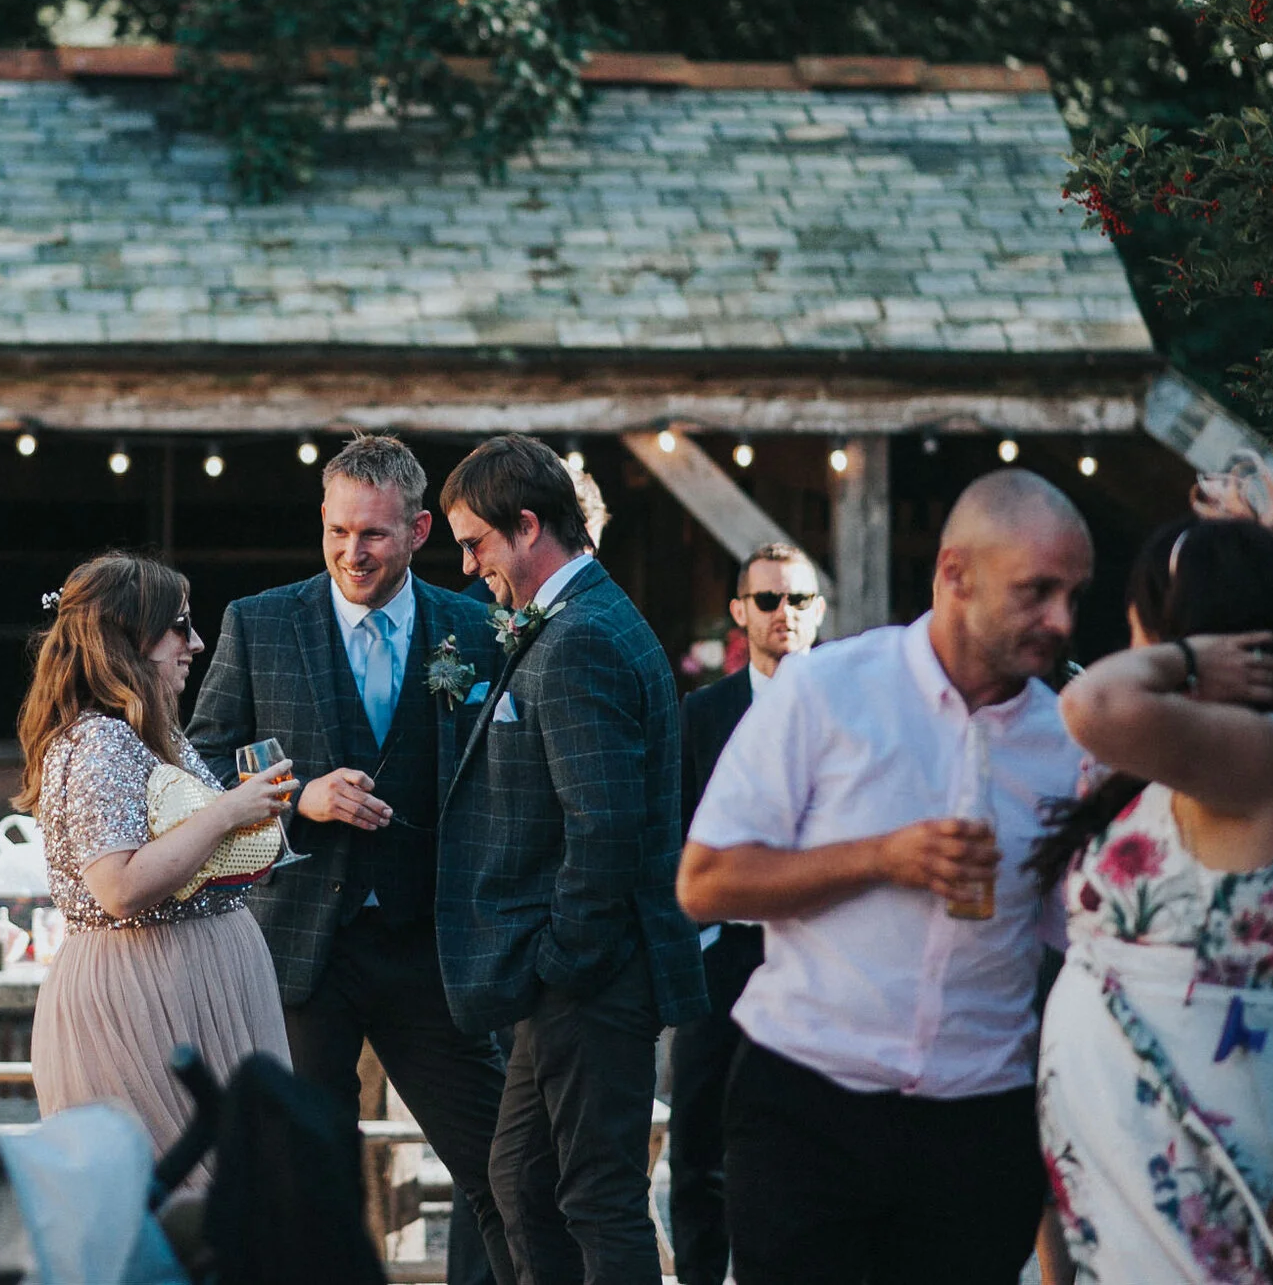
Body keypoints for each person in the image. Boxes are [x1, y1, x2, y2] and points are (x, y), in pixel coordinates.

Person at [676, 469, 1092, 1285]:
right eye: (1037, 591)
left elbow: (1089, 929)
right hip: (809, 1106)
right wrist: (880, 856)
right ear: (954, 574)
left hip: (981, 1123)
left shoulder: (1069, 741)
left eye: (1075, 594)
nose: (1062, 620)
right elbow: (707, 880)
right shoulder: (829, 693)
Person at [187, 434, 512, 1285]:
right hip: (301, 951)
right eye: (336, 531)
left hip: (431, 947)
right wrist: (297, 797)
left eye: (372, 533)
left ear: (418, 529)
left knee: (503, 1170)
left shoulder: (476, 629)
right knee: (303, 1178)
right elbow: (199, 770)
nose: (351, 551)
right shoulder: (259, 622)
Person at [1033, 519, 1273, 1283]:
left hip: (1213, 1134)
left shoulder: (1266, 753)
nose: (1130, 638)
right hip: (1152, 1140)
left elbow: (1090, 705)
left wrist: (1187, 661)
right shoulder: (1229, 758)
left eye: (1140, 618)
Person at [435, 434, 707, 1285]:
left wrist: (562, 959)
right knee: (520, 1178)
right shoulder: (576, 617)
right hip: (569, 975)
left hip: (594, 975)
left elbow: (606, 824)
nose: (472, 567)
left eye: (476, 543)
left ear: (526, 526)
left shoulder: (582, 634)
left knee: (596, 1196)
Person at [20, 552, 296, 1164]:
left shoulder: (148, 732)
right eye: (179, 625)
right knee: (173, 1197)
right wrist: (229, 811)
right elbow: (118, 887)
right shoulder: (98, 740)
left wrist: (254, 836)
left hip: (199, 980)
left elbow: (192, 858)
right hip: (147, 991)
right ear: (127, 637)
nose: (196, 643)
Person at [669, 542, 824, 1285]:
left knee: (812, 1131)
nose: (783, 614)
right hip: (723, 951)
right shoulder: (703, 713)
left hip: (821, 950)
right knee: (699, 1134)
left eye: (798, 600)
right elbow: (676, 828)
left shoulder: (848, 711)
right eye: (768, 601)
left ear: (819, 612)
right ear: (740, 613)